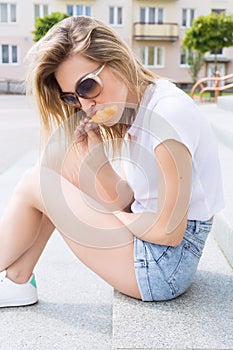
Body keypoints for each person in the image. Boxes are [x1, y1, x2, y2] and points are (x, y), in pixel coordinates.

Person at [0, 16, 224, 306]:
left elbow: (168, 233)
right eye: (72, 97)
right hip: (158, 254)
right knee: (53, 173)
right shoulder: (141, 110)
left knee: (37, 183)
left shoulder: (168, 114)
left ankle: (15, 279)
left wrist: (106, 214)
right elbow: (132, 202)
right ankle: (17, 278)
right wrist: (97, 163)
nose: (85, 105)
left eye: (87, 86)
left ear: (117, 60)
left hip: (165, 266)